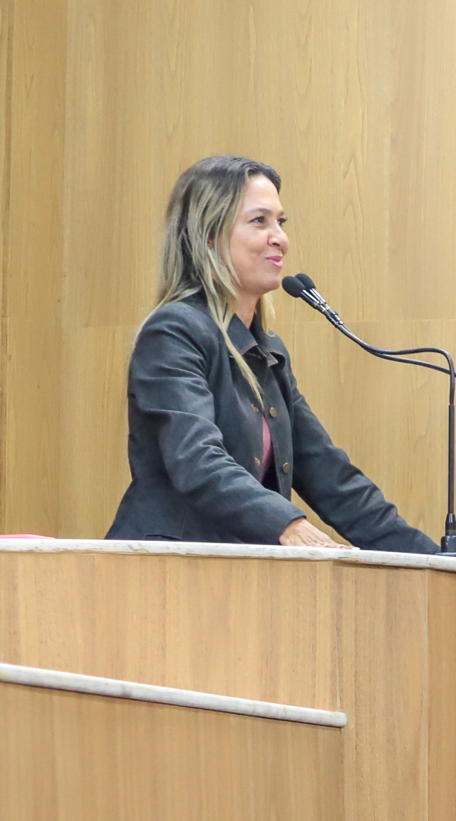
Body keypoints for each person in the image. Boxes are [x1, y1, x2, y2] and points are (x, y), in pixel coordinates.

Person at [107, 154, 437, 552]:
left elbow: (333, 479)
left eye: (281, 221)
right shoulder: (174, 332)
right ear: (208, 236)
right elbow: (197, 461)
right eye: (259, 221)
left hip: (240, 572)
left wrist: (439, 561)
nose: (279, 237)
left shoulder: (267, 352)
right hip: (167, 567)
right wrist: (289, 524)